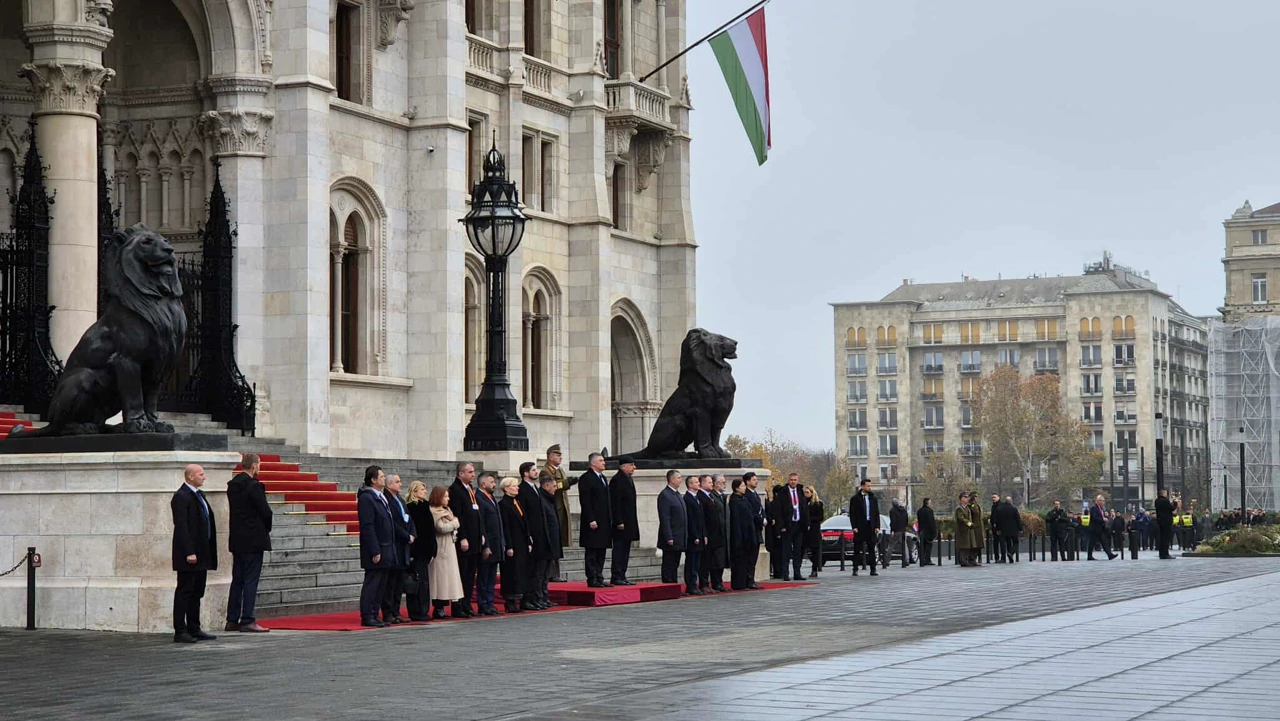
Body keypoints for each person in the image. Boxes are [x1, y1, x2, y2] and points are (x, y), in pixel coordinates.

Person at [172, 464, 218, 643]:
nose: (204, 477)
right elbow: (182, 526)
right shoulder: (181, 496)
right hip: (189, 555)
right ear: (190, 477)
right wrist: (189, 551)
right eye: (201, 474)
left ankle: (194, 627)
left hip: (202, 553)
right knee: (185, 591)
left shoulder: (199, 495)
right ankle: (180, 630)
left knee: (197, 591)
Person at [225, 453, 271, 633]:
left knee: (238, 579)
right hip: (254, 538)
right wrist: (265, 529)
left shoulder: (233, 485)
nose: (259, 467)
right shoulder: (254, 486)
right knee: (251, 579)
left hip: (237, 537)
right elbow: (266, 512)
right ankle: (248, 619)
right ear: (253, 465)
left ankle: (232, 619)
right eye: (259, 464)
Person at [356, 465, 397, 627]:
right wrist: (375, 549)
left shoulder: (380, 496)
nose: (383, 478)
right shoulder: (367, 498)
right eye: (381, 476)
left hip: (386, 546)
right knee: (373, 582)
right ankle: (367, 615)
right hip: (376, 548)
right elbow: (368, 526)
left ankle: (374, 613)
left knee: (381, 584)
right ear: (373, 480)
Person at [447, 461, 482, 618]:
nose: (473, 474)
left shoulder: (470, 489)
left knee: (470, 575)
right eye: (469, 472)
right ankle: (458, 606)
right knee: (462, 573)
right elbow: (459, 515)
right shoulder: (455, 490)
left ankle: (467, 604)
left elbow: (475, 513)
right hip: (465, 539)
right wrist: (463, 537)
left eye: (473, 472)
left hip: (474, 538)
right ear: (461, 473)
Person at [381, 474, 416, 624]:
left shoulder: (400, 500)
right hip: (394, 543)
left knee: (399, 582)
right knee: (390, 582)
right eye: (397, 482)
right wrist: (406, 536)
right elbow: (392, 523)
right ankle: (388, 612)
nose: (400, 484)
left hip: (404, 546)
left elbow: (409, 518)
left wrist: (413, 534)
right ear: (389, 485)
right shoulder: (386, 500)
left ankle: (396, 611)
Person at [517, 461, 551, 609]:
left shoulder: (535, 488)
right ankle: (527, 599)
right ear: (525, 473)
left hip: (541, 534)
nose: (536, 472)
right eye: (533, 470)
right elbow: (525, 514)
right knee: (531, 570)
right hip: (532, 535)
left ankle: (537, 597)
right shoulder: (522, 489)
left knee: (539, 570)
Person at [539, 444, 575, 582]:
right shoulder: (545, 471)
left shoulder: (559, 470)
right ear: (549, 457)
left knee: (557, 543)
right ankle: (551, 574)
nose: (560, 458)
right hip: (553, 509)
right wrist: (567, 483)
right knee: (553, 543)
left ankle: (555, 573)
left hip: (560, 509)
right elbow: (553, 485)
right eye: (557, 455)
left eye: (560, 455)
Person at [427, 486, 463, 618]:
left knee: (450, 577)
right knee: (440, 578)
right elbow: (441, 527)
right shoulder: (434, 511)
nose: (448, 499)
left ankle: (451, 603)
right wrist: (455, 523)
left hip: (450, 545)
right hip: (440, 547)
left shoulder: (447, 510)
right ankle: (439, 606)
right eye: (445, 496)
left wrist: (454, 524)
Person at [498, 477, 532, 614]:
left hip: (522, 543)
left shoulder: (517, 502)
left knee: (521, 572)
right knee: (512, 573)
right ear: (506, 488)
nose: (517, 488)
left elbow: (525, 522)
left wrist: (529, 541)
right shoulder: (504, 504)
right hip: (513, 543)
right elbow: (506, 527)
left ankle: (521, 598)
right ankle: (510, 601)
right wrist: (509, 546)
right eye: (514, 486)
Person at [404, 481, 437, 622]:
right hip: (417, 550)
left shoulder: (425, 506)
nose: (425, 491)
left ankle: (423, 609)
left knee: (423, 581)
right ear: (415, 491)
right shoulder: (412, 507)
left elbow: (430, 530)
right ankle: (416, 610)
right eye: (422, 489)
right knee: (417, 581)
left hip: (425, 549)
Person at [577, 452, 613, 587]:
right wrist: (591, 519)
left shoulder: (603, 478)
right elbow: (585, 501)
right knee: (592, 551)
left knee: (601, 550)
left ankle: (599, 576)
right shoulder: (586, 478)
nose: (604, 462)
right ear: (593, 463)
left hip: (603, 521)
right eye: (601, 460)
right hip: (592, 522)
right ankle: (592, 578)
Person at [475, 472, 503, 616]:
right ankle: (483, 603)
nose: (494, 484)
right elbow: (482, 524)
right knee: (484, 576)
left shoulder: (491, 498)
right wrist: (485, 545)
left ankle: (490, 602)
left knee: (491, 576)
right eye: (491, 482)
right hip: (487, 543)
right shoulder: (478, 498)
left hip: (496, 543)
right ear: (483, 483)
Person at [771, 473, 808, 581]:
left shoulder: (800, 491)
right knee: (786, 551)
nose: (793, 482)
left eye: (795, 480)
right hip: (787, 525)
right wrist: (781, 525)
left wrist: (806, 523)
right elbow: (778, 511)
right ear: (789, 480)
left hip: (798, 524)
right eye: (791, 480)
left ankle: (797, 573)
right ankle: (785, 573)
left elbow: (804, 508)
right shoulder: (783, 493)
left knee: (798, 550)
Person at [609, 456, 639, 586]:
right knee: (619, 549)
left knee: (626, 549)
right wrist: (618, 520)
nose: (634, 467)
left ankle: (622, 574)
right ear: (623, 466)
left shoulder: (628, 479)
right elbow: (615, 503)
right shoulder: (617, 480)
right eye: (632, 465)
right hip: (621, 523)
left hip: (629, 521)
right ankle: (616, 575)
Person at [656, 469, 687, 584]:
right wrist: (668, 536)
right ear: (672, 479)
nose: (681, 480)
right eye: (679, 478)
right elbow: (665, 517)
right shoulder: (665, 495)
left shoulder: (677, 494)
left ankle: (674, 584)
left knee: (675, 563)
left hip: (679, 535)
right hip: (671, 536)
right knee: (669, 562)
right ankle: (668, 584)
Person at [728, 478, 758, 589]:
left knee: (747, 560)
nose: (744, 488)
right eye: (742, 486)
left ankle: (747, 581)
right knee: (739, 560)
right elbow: (736, 520)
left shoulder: (744, 499)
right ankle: (739, 583)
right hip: (740, 534)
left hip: (748, 533)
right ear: (736, 488)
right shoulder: (735, 501)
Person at [538, 475, 563, 604]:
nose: (555, 489)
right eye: (554, 486)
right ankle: (540, 596)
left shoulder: (550, 499)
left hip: (552, 541)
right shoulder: (541, 499)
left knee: (547, 571)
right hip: (545, 541)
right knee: (541, 572)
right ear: (547, 486)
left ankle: (544, 596)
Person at [698, 475, 726, 592]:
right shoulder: (701, 497)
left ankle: (716, 582)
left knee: (716, 560)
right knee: (706, 561)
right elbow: (702, 518)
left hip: (717, 533)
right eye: (709, 482)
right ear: (702, 484)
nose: (711, 484)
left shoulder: (710, 497)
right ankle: (704, 584)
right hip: (708, 534)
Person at [849, 478, 880, 576]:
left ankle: (873, 569)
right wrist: (854, 526)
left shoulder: (873, 498)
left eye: (870, 486)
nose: (869, 487)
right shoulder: (855, 499)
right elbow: (852, 513)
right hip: (859, 526)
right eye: (868, 486)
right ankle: (855, 569)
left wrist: (877, 526)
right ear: (862, 486)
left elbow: (876, 513)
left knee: (871, 548)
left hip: (870, 526)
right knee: (857, 549)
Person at [682, 475, 707, 595]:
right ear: (690, 484)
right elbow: (690, 520)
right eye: (696, 482)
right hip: (693, 537)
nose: (698, 484)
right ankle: (690, 585)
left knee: (697, 563)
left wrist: (704, 534)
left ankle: (694, 584)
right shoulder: (687, 498)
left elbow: (701, 519)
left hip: (700, 535)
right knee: (691, 563)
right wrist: (695, 536)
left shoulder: (697, 498)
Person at [743, 472, 765, 589]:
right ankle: (748, 580)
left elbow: (760, 509)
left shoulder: (755, 494)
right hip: (751, 529)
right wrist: (761, 520)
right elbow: (752, 512)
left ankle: (752, 578)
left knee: (754, 556)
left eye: (756, 479)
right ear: (747, 482)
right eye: (753, 480)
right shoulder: (747, 495)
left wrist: (765, 518)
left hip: (757, 529)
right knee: (750, 557)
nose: (756, 481)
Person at [709, 474, 730, 591]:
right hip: (717, 533)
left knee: (721, 559)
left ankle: (719, 582)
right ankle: (716, 582)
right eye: (722, 482)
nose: (724, 484)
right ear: (716, 484)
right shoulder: (712, 497)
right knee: (716, 560)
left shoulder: (723, 497)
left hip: (724, 533)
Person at [802, 486, 825, 577]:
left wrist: (809, 520)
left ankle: (814, 569)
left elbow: (820, 517)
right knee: (805, 549)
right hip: (805, 530)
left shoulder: (818, 504)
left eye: (807, 492)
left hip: (814, 529)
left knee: (815, 550)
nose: (806, 494)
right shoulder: (803, 503)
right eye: (805, 492)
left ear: (812, 493)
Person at [1087, 495, 1117, 560]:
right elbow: (1094, 518)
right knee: (1092, 543)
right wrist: (1103, 519)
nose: (1103, 502)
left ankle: (1110, 555)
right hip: (1094, 529)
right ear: (1098, 501)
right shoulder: (1094, 508)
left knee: (1104, 542)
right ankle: (1089, 556)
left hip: (1100, 529)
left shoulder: (1101, 509)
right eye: (1102, 501)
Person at [954, 492, 976, 566]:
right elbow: (961, 519)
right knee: (963, 546)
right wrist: (969, 524)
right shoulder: (959, 509)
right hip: (962, 530)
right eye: (965, 497)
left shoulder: (967, 508)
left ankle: (968, 560)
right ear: (962, 499)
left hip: (967, 530)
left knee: (968, 546)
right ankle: (963, 561)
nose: (967, 498)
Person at [997, 496, 1021, 563]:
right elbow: (1018, 519)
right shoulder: (1014, 509)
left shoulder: (1000, 509)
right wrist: (1020, 528)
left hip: (1003, 530)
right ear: (1011, 501)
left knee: (1004, 544)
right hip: (1013, 530)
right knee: (1016, 543)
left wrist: (998, 529)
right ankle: (1011, 552)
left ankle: (1003, 558)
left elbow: (998, 520)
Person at [1155, 489, 1176, 560]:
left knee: (1161, 538)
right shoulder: (1165, 501)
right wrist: (1175, 503)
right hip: (1167, 522)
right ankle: (1165, 554)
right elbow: (1172, 508)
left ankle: (1161, 554)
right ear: (1163, 494)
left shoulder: (1157, 501)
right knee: (1166, 538)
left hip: (1160, 521)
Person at [888, 498, 909, 568]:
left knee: (891, 545)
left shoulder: (892, 511)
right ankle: (906, 560)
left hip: (896, 530)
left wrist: (892, 530)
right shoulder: (904, 510)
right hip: (903, 530)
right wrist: (905, 528)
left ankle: (887, 560)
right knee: (904, 545)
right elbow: (906, 520)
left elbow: (893, 521)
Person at [916, 497, 936, 566]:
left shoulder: (919, 511)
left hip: (921, 531)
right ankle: (927, 559)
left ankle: (922, 559)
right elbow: (931, 522)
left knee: (922, 546)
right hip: (928, 531)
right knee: (928, 546)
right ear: (928, 503)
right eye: (930, 503)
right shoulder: (929, 511)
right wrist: (934, 532)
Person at [968, 492, 985, 566]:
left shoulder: (976, 505)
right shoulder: (972, 505)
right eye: (976, 497)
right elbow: (975, 513)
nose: (977, 498)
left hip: (979, 527)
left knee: (979, 543)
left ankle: (978, 557)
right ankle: (973, 558)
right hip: (974, 527)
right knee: (975, 543)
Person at [989, 494, 1003, 562]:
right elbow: (993, 516)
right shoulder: (993, 506)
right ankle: (996, 557)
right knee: (995, 543)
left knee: (1001, 542)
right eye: (992, 497)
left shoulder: (1001, 505)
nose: (993, 498)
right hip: (994, 527)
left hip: (999, 527)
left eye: (994, 497)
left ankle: (1002, 557)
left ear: (998, 497)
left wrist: (999, 527)